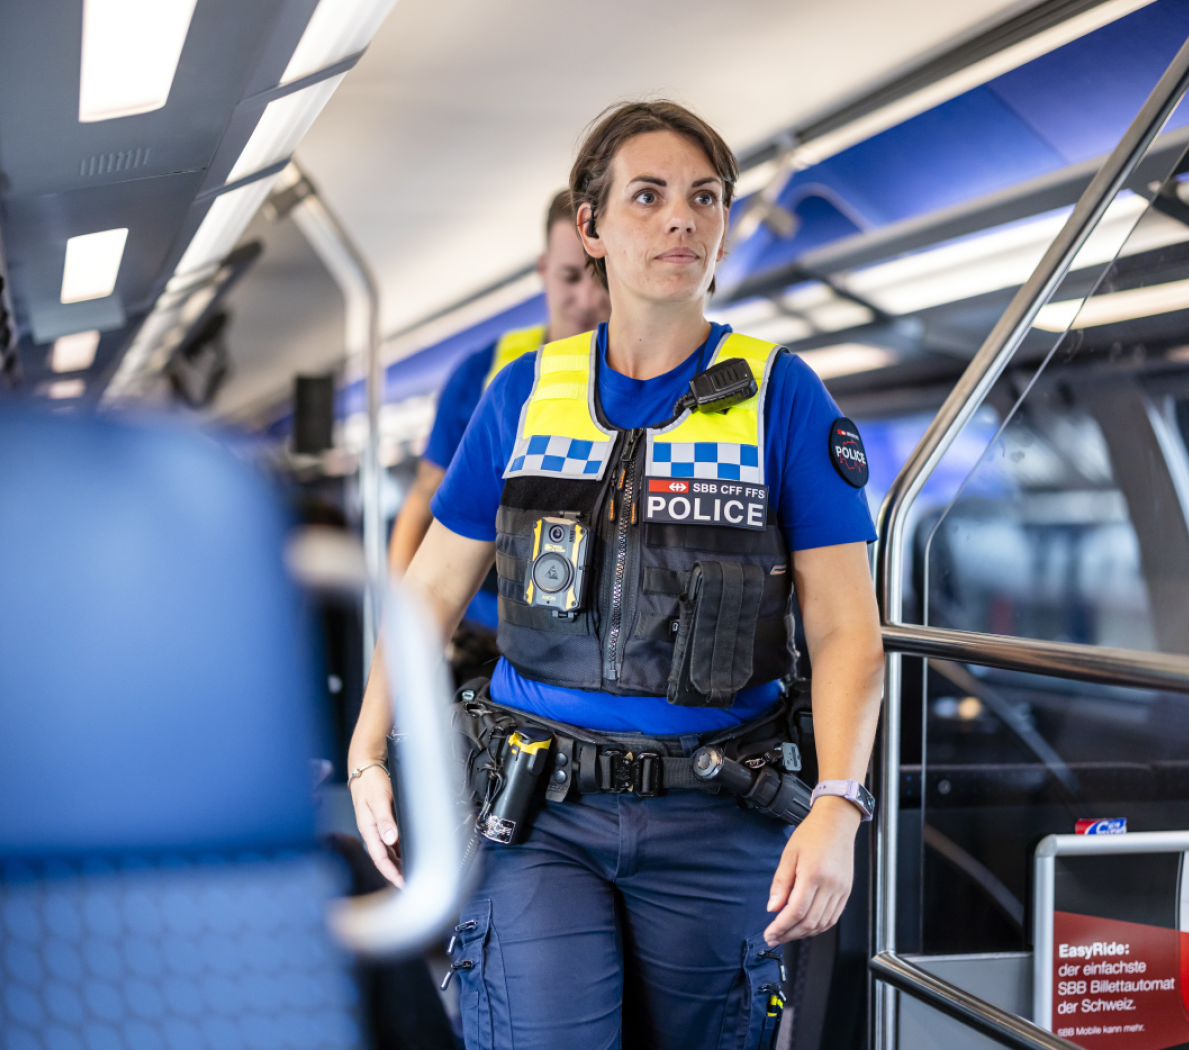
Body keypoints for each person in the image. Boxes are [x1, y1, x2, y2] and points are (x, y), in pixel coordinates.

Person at [349, 100, 884, 1049]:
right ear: (591, 227)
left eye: (705, 198)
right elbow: (428, 586)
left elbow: (845, 625)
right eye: (648, 196)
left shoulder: (782, 397)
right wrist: (368, 747)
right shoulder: (522, 393)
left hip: (719, 810)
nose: (681, 218)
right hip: (540, 809)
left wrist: (840, 804)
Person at [387, 190, 611, 589]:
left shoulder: (648, 380)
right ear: (543, 269)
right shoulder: (484, 374)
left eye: (601, 276)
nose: (588, 298)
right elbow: (425, 501)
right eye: (570, 276)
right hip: (479, 620)